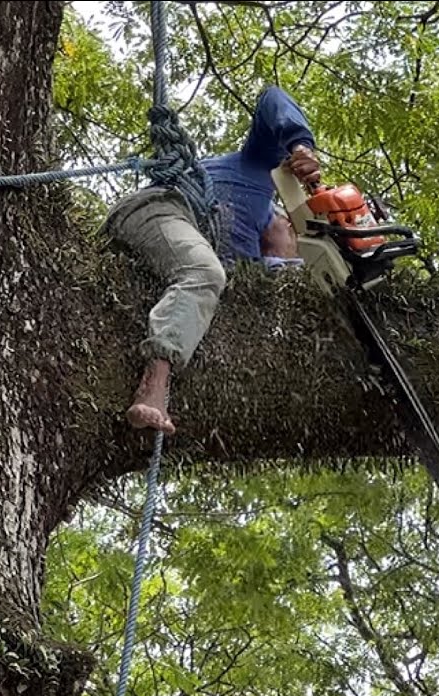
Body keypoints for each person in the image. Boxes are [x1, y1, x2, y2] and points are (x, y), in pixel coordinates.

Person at [103, 86, 323, 436]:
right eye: (295, 239)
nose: (291, 250)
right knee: (203, 272)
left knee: (209, 271)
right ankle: (154, 384)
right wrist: (300, 145)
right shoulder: (258, 171)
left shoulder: (246, 258)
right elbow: (271, 99)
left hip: (178, 237)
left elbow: (269, 272)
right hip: (160, 208)